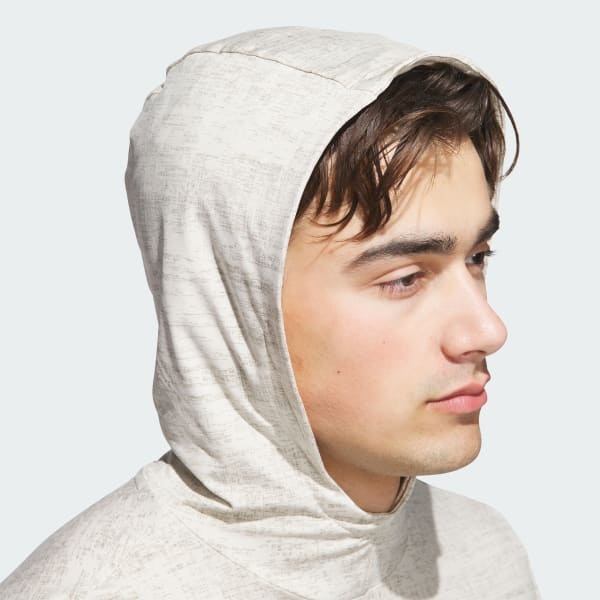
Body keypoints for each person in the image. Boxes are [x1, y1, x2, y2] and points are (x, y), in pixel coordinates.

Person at [0, 26, 540, 599]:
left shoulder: (483, 555)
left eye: (477, 257)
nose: (488, 329)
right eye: (404, 278)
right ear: (230, 296)